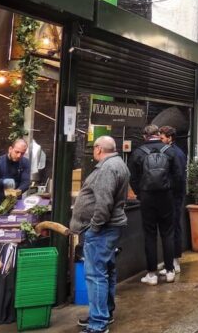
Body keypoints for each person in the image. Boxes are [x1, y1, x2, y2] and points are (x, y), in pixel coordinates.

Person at [71, 136, 129, 333]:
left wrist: (94, 227)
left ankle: (98, 323)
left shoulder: (106, 168)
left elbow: (104, 204)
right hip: (110, 228)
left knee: (96, 275)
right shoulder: (119, 163)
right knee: (107, 271)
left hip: (102, 230)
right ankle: (105, 313)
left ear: (98, 149)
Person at [129, 124, 182, 286]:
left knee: (150, 234)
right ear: (158, 135)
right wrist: (171, 193)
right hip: (166, 197)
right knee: (167, 233)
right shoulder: (170, 151)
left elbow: (133, 177)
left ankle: (151, 274)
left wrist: (140, 193)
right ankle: (170, 271)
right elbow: (178, 176)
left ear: (145, 136)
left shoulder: (138, 153)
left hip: (147, 198)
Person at [159, 125, 186, 274]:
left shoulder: (176, 154)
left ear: (169, 138)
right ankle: (171, 260)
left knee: (174, 227)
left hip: (174, 196)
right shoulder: (173, 152)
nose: (160, 140)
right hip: (174, 195)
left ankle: (174, 262)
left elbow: (179, 177)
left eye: (162, 138)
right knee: (172, 227)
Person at [0, 139, 30, 207]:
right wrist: (3, 182)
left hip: (15, 203)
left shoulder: (25, 162)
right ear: (10, 149)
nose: (19, 155)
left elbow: (26, 182)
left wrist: (18, 191)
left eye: (22, 153)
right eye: (17, 152)